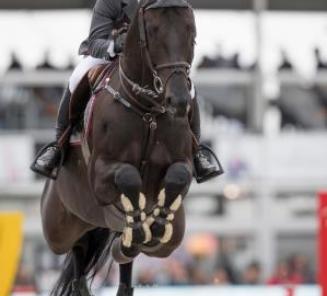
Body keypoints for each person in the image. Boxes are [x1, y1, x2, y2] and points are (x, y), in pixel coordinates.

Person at [31, 0, 222, 183]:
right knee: (77, 76)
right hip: (112, 56)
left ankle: (197, 152)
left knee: (189, 87)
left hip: (150, 61)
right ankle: (58, 145)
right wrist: (115, 45)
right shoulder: (110, 1)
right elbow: (96, 41)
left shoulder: (165, 2)